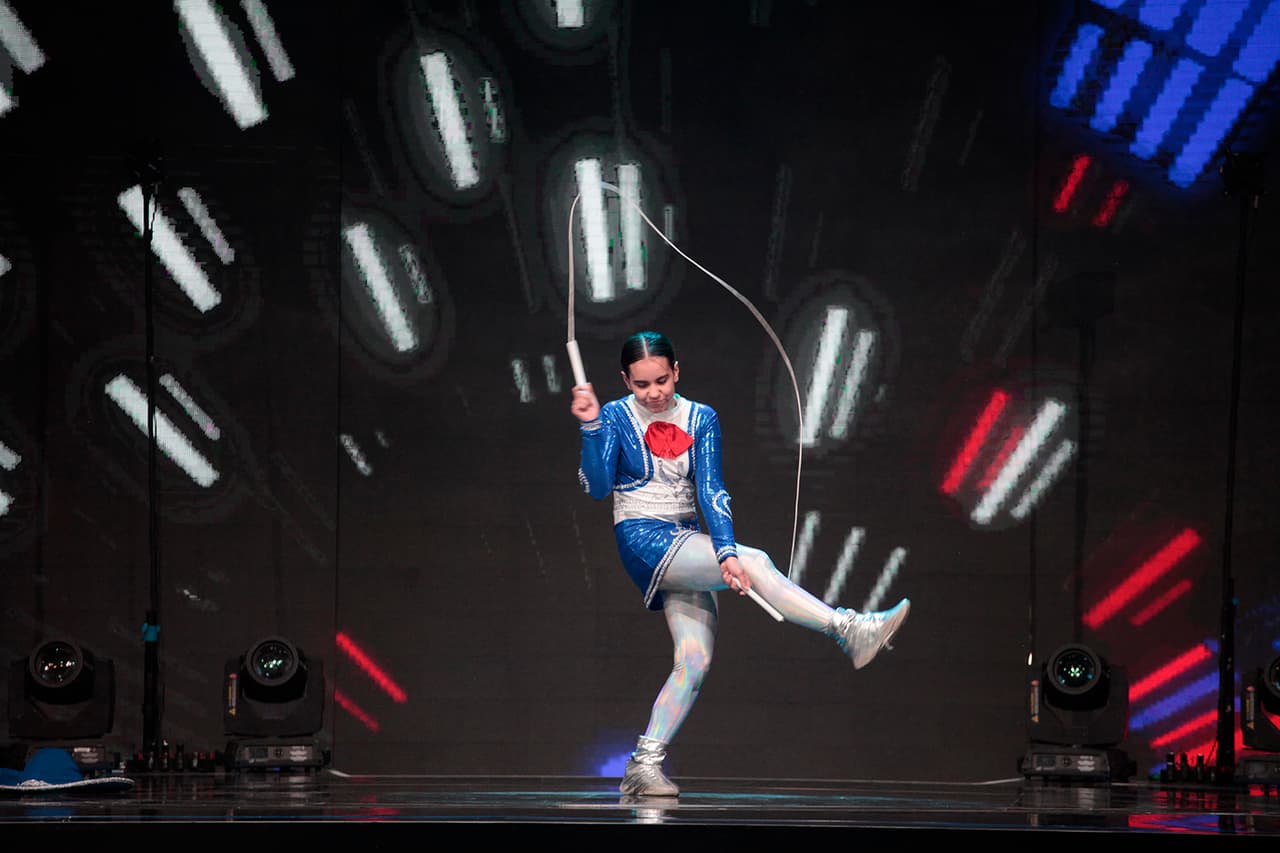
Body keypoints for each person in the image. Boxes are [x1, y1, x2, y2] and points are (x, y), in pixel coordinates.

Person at [570, 330, 910, 798]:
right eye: (642, 384)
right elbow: (597, 486)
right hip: (642, 536)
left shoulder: (700, 417)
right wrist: (590, 426)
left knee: (694, 660)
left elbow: (711, 489)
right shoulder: (614, 416)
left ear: (677, 372)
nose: (654, 394)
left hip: (686, 538)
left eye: (662, 381)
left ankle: (642, 766)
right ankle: (848, 628)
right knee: (758, 561)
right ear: (625, 381)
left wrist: (723, 550)